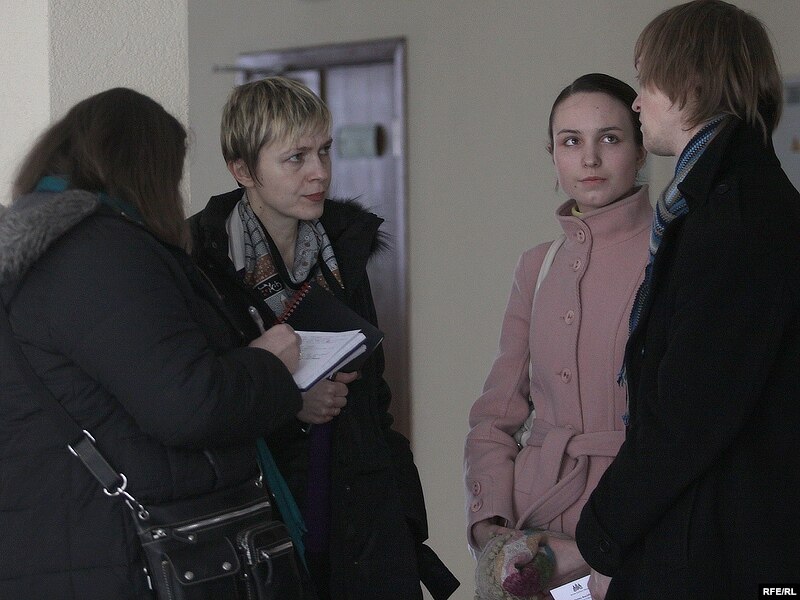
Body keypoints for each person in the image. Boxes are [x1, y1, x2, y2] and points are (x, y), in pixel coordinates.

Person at [0, 88, 310, 598]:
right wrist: (269, 365)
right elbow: (188, 405)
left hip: (59, 543)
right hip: (127, 554)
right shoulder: (99, 252)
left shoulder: (37, 252)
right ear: (145, 168)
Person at [189, 76, 457, 600]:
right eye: (296, 158)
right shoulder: (201, 261)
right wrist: (290, 401)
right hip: (263, 527)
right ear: (242, 170)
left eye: (324, 151)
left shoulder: (342, 250)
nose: (320, 172)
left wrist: (404, 521)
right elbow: (198, 404)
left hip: (362, 520)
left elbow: (376, 399)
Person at [575, 2, 800, 599]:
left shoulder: (734, 217)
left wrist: (602, 532)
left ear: (691, 84)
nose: (636, 102)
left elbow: (689, 412)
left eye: (646, 80)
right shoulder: (727, 202)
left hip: (724, 552)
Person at [464, 73, 651, 596]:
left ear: (640, 150)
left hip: (633, 526)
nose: (589, 158)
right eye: (571, 141)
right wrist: (490, 521)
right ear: (552, 156)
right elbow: (496, 413)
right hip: (533, 534)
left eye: (609, 138)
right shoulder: (538, 265)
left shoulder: (674, 255)